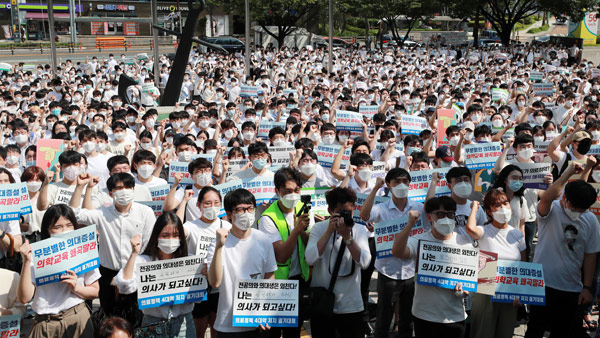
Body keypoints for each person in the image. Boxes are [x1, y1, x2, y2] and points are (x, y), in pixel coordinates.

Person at [525, 162, 600, 338]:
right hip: (541, 284)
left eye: (582, 210)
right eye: (574, 208)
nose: (577, 213)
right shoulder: (551, 210)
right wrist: (568, 172)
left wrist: (587, 287)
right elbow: (547, 197)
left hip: (571, 287)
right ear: (565, 198)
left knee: (562, 331)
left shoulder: (590, 220)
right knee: (535, 328)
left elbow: (590, 255)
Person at [72, 173, 156, 323]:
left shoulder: (145, 212)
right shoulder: (102, 213)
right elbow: (75, 214)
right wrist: (80, 187)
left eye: (128, 187)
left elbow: (149, 244)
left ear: (133, 189)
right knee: (110, 317)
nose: (124, 191)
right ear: (111, 193)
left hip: (135, 272)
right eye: (118, 188)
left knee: (136, 317)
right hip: (108, 274)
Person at [392, 196, 472, 338]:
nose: (446, 218)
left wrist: (467, 289)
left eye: (450, 214)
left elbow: (475, 278)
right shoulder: (419, 240)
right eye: (440, 214)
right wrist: (409, 225)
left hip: (455, 316)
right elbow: (397, 252)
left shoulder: (465, 243)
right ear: (430, 217)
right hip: (424, 316)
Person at [17, 204, 100, 338]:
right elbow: (24, 298)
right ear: (48, 230)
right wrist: (26, 262)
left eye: (69, 225)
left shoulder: (83, 251)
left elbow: (95, 291)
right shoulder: (36, 255)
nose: (64, 230)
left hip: (77, 317)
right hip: (45, 323)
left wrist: (75, 288)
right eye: (57, 227)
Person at [360, 169, 424, 338]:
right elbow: (364, 215)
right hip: (388, 271)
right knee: (383, 316)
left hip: (410, 271)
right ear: (388, 185)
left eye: (405, 181)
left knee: (407, 319)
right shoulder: (381, 209)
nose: (401, 185)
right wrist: (375, 189)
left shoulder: (418, 207)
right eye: (396, 181)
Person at [207, 188, 277, 337]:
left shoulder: (263, 239)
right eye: (240, 209)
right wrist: (219, 247)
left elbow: (269, 275)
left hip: (258, 323)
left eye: (250, 208)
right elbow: (215, 282)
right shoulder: (218, 243)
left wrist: (265, 311)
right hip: (228, 325)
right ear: (228, 214)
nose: (247, 213)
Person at [114, 212, 196, 338]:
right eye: (165, 235)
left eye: (176, 235)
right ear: (156, 236)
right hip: (153, 325)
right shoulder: (143, 261)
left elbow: (199, 295)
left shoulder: (189, 261)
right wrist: (134, 254)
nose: (170, 240)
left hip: (183, 325)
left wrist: (202, 275)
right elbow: (125, 286)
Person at [305, 187, 371, 338]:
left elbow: (365, 263)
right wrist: (329, 231)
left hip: (351, 305)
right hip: (323, 306)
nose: (345, 216)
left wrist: (348, 238)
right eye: (341, 212)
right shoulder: (319, 228)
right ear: (330, 211)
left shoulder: (359, 230)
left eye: (349, 212)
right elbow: (310, 258)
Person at [465, 189, 526, 338]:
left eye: (505, 203)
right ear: (489, 211)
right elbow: (470, 229)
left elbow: (523, 265)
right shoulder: (484, 231)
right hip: (486, 287)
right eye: (497, 205)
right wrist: (474, 208)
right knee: (483, 332)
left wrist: (521, 292)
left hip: (509, 290)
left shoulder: (517, 234)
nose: (503, 208)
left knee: (505, 332)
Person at [258, 167, 311, 338]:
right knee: (273, 332)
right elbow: (281, 255)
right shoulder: (268, 218)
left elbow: (309, 245)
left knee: (293, 331)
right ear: (277, 191)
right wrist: (296, 230)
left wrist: (303, 231)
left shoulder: (304, 207)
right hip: (278, 285)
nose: (293, 195)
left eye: (296, 190)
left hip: (300, 280)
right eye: (287, 191)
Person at [182, 186, 232, 338]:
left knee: (217, 327)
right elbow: (177, 238)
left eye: (216, 203)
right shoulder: (190, 226)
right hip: (198, 286)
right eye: (207, 203)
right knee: (199, 328)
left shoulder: (228, 227)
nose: (212, 207)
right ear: (198, 205)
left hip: (220, 286)